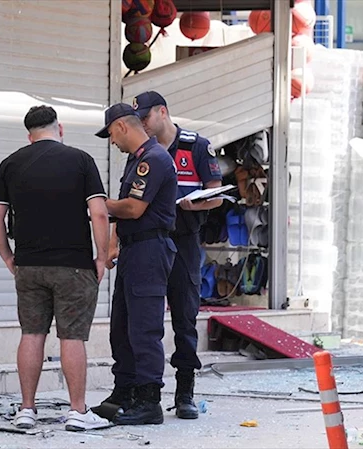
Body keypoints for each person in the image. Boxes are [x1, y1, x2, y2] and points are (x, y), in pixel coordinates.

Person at [0, 105, 112, 432]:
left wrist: (8, 257)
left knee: (31, 334)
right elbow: (99, 213)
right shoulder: (81, 160)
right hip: (73, 266)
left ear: (29, 136)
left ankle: (26, 410)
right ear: (61, 128)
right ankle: (78, 412)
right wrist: (102, 257)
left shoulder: (10, 163)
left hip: (28, 265)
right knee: (72, 337)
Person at [132, 91, 224, 419]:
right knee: (146, 318)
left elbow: (217, 194)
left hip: (185, 240)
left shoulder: (195, 146)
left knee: (185, 317)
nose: (142, 124)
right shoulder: (143, 151)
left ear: (163, 112)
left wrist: (194, 204)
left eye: (146, 117)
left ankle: (185, 390)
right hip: (151, 243)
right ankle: (145, 392)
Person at [92, 103, 177, 426]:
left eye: (111, 135)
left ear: (122, 126)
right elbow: (124, 211)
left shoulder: (153, 159)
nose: (112, 142)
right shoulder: (137, 160)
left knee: (144, 328)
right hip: (133, 249)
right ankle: (124, 392)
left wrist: (97, 204)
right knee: (122, 326)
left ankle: (149, 401)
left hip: (150, 250)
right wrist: (113, 244)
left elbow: (133, 208)